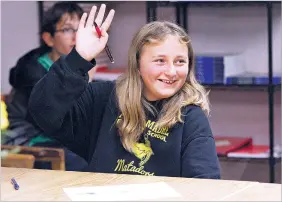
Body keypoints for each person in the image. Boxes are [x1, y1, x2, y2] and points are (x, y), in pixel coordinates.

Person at [28, 4, 221, 178]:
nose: (171, 71)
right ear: (137, 65)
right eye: (160, 61)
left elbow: (205, 183)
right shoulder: (103, 99)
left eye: (180, 61)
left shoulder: (191, 117)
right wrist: (79, 58)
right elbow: (43, 111)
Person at [5, 1, 88, 171]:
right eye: (67, 30)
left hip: (59, 136)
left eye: (80, 30)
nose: (76, 36)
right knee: (82, 160)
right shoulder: (34, 71)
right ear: (48, 38)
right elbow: (55, 118)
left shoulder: (78, 65)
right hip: (32, 137)